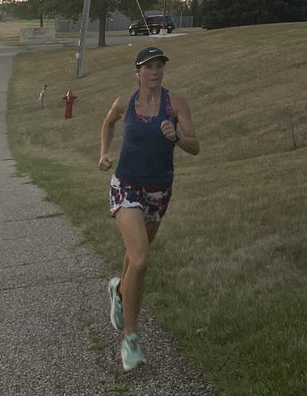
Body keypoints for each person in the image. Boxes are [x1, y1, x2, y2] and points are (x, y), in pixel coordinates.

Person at [98, 43, 200, 372]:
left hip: (159, 191)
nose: (155, 72)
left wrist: (175, 138)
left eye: (159, 66)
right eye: (149, 66)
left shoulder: (176, 103)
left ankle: (118, 290)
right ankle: (130, 339)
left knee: (134, 257)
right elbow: (108, 123)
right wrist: (103, 153)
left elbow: (195, 146)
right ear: (137, 73)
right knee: (141, 259)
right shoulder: (125, 102)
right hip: (126, 185)